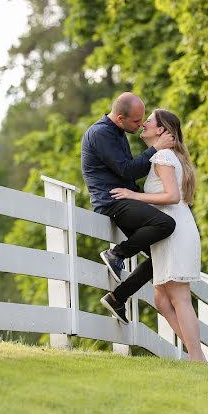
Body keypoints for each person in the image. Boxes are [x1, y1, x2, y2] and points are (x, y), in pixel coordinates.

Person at [109, 109, 207, 362]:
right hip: (172, 232)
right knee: (162, 298)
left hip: (176, 233)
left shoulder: (163, 155)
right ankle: (196, 354)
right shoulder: (167, 155)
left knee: (178, 296)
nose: (143, 125)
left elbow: (172, 197)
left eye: (149, 122)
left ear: (162, 130)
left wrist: (134, 195)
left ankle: (198, 359)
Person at [81, 93, 176, 324]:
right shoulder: (100, 133)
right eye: (136, 121)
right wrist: (156, 148)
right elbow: (127, 170)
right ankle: (116, 254)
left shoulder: (118, 131)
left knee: (160, 258)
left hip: (124, 200)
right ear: (121, 117)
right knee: (165, 224)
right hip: (112, 201)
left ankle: (117, 298)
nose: (141, 124)